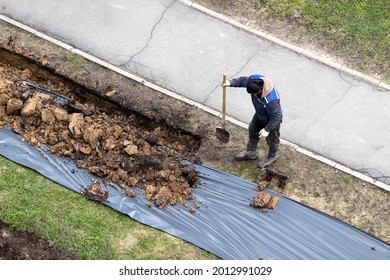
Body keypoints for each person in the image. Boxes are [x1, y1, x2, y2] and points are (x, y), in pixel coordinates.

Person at [222, 74, 282, 168]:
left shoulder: (271, 100)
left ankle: (273, 156)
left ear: (260, 90)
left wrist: (267, 129)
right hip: (260, 114)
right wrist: (230, 83)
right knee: (253, 129)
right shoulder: (254, 80)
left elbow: (276, 116)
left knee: (272, 139)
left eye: (253, 93)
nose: (252, 95)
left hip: (271, 119)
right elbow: (242, 80)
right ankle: (251, 152)